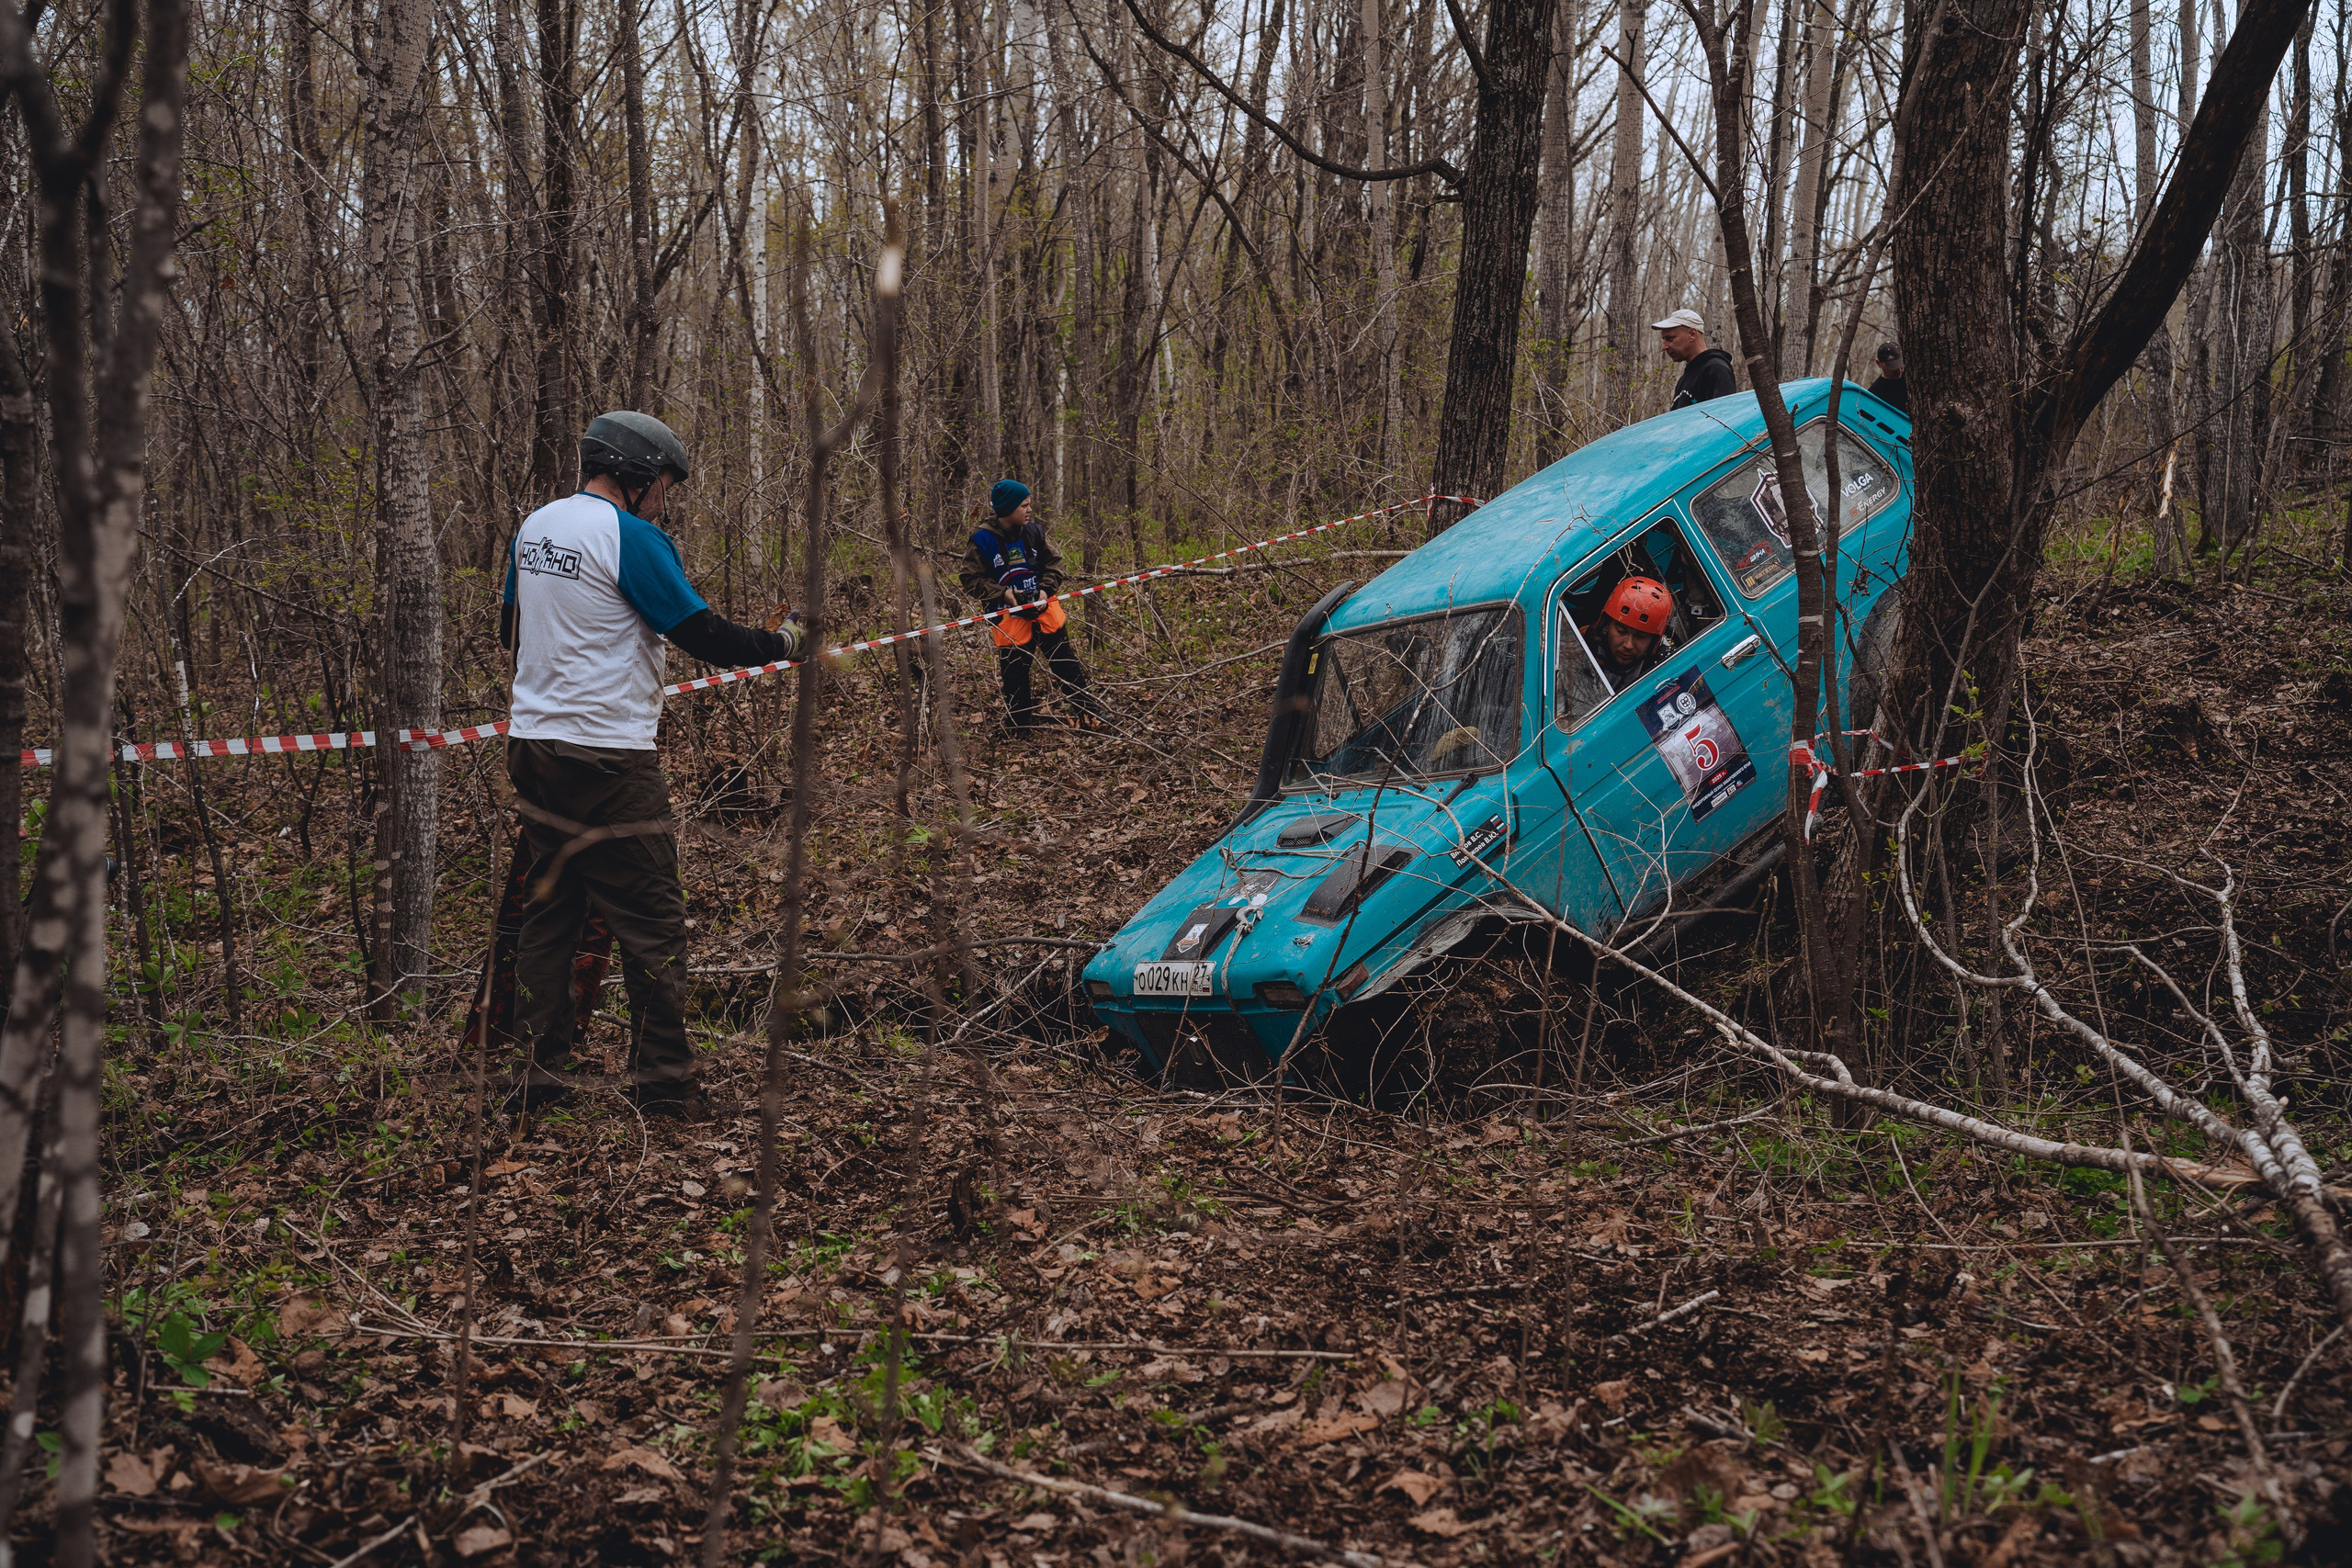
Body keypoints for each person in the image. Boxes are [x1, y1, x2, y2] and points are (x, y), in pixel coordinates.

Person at [500, 410, 807, 1121]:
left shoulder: (535, 527)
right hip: (607, 756)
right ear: (635, 475)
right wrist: (784, 642)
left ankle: (536, 1079)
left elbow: (509, 630)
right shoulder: (629, 536)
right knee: (654, 921)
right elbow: (705, 634)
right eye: (665, 483)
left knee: (551, 914)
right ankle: (664, 1085)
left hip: (534, 746)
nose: (666, 499)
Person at [960, 479, 1108, 732]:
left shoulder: (1035, 532)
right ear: (1007, 508)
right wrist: (1004, 594)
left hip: (1045, 612)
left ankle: (1089, 716)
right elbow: (970, 578)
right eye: (1024, 506)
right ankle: (1018, 729)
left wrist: (1045, 590)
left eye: (1029, 504)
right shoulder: (982, 540)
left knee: (1067, 666)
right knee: (1014, 677)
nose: (1029, 510)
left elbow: (1055, 564)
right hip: (1009, 620)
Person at [1564, 577, 1674, 725]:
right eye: (1621, 631)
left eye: (1640, 637)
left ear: (1655, 641)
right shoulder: (1580, 644)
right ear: (1606, 625)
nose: (1628, 645)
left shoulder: (1667, 665)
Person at [1655, 309, 1736, 409]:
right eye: (1664, 340)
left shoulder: (1716, 369)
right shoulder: (1684, 379)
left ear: (1692, 334)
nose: (1664, 347)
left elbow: (1724, 414)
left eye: (1670, 339)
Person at [1868, 342, 1908, 414]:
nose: (1899, 370)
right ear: (1879, 363)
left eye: (1900, 363)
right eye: (1893, 366)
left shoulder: (1911, 379)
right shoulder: (1874, 394)